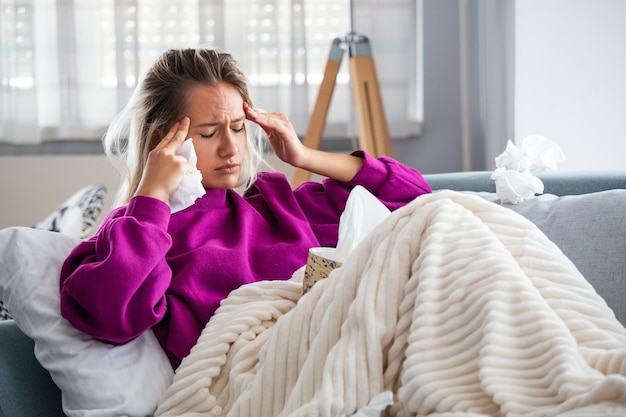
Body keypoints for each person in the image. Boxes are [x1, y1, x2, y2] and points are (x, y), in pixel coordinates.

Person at [59, 47, 432, 369]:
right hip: (262, 377)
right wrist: (152, 197)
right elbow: (108, 314)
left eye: (238, 128)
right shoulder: (136, 230)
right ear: (162, 141)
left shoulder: (276, 204)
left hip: (342, 348)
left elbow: (415, 197)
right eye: (208, 133)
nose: (231, 148)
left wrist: (304, 156)